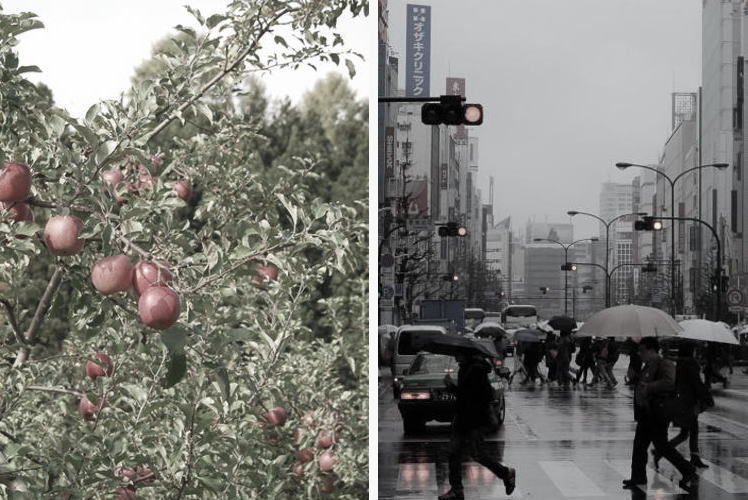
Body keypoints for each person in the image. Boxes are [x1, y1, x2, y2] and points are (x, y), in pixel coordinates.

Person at [622, 337, 698, 492]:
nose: (640, 353)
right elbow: (641, 383)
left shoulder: (664, 363)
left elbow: (669, 382)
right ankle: (638, 476)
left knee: (660, 446)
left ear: (651, 350)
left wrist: (649, 387)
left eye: (642, 350)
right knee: (641, 446)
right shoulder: (647, 365)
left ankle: (688, 470)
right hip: (647, 412)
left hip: (657, 412)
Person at [439, 353, 516, 500]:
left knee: (476, 453)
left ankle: (506, 473)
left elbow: (474, 396)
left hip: (474, 419)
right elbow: (466, 395)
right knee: (454, 453)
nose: (455, 357)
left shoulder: (476, 370)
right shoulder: (467, 368)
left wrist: (451, 387)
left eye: (458, 353)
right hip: (463, 417)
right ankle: (456, 491)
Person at [652, 342, 713, 470]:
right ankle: (663, 451)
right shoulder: (691, 364)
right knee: (690, 431)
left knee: (686, 432)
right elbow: (696, 384)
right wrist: (706, 397)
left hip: (680, 402)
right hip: (689, 403)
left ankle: (666, 451)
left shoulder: (679, 364)